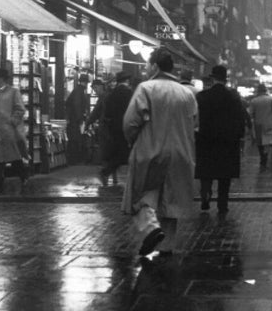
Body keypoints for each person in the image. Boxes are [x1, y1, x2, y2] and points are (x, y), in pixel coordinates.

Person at [122, 47, 198, 257]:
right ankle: (166, 247)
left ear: (154, 66)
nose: (145, 68)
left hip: (150, 150)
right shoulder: (186, 93)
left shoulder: (146, 89)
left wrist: (133, 141)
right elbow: (194, 124)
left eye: (147, 64)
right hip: (181, 153)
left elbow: (130, 123)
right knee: (171, 201)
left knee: (142, 194)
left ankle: (150, 230)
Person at [195, 65, 246, 214]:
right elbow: (240, 118)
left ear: (213, 78)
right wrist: (239, 136)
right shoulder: (234, 97)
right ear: (225, 79)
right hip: (227, 142)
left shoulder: (202, 96)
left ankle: (205, 196)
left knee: (206, 173)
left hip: (206, 140)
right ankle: (222, 204)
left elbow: (196, 119)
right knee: (225, 176)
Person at [0, 68, 28, 193]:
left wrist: (12, 122)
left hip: (8, 131)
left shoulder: (13, 92)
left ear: (1, 78)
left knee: (14, 156)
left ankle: (23, 177)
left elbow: (20, 109)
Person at [99, 71, 133, 187]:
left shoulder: (112, 94)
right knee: (124, 153)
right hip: (126, 126)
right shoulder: (129, 93)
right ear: (127, 81)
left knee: (117, 151)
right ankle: (106, 172)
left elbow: (107, 112)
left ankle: (109, 174)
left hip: (113, 127)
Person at [248, 83, 272, 166]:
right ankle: (265, 155)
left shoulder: (254, 100)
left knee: (260, 142)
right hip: (269, 123)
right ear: (265, 90)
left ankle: (262, 156)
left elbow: (250, 113)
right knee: (267, 142)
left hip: (258, 124)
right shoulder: (271, 99)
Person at [64, 73, 90, 164]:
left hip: (73, 119)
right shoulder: (79, 91)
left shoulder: (78, 90)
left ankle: (74, 159)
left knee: (74, 139)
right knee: (75, 139)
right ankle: (74, 159)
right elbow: (77, 105)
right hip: (75, 119)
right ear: (85, 82)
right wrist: (80, 119)